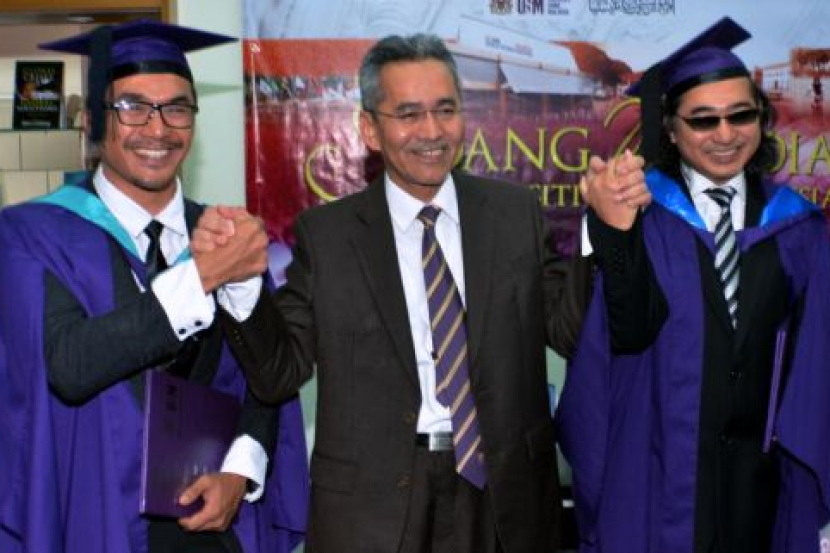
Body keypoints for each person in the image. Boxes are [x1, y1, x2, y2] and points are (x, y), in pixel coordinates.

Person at [195, 33, 648, 553]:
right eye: (408, 114)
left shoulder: (514, 214)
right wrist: (241, 285)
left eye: (445, 110)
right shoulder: (328, 236)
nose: (431, 131)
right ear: (369, 129)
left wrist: (602, 232)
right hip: (371, 507)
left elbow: (569, 333)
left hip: (503, 497)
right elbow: (279, 372)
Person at [0, 20, 308, 553]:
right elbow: (70, 367)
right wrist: (203, 275)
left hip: (213, 528)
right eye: (132, 107)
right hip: (94, 515)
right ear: (93, 121)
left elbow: (266, 380)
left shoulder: (224, 234)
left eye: (177, 108)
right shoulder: (31, 236)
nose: (158, 128)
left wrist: (242, 469)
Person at [558, 17, 830, 553]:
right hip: (659, 479)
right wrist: (612, 234)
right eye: (703, 120)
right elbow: (620, 335)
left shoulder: (798, 229)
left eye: (740, 115)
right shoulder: (639, 217)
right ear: (672, 129)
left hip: (761, 490)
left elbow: (815, 365)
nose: (725, 135)